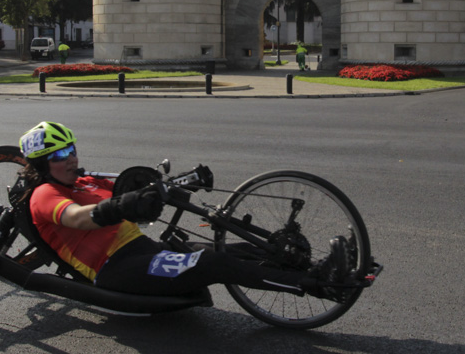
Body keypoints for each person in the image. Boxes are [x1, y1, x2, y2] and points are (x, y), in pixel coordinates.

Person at [18, 122, 350, 299]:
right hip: (116, 268)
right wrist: (122, 205)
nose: (71, 158)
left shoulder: (86, 182)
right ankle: (318, 285)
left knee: (241, 249)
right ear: (42, 165)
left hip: (146, 252)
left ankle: (320, 266)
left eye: (71, 149)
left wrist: (183, 182)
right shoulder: (44, 195)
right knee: (214, 263)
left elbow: (139, 189)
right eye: (59, 156)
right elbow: (78, 218)